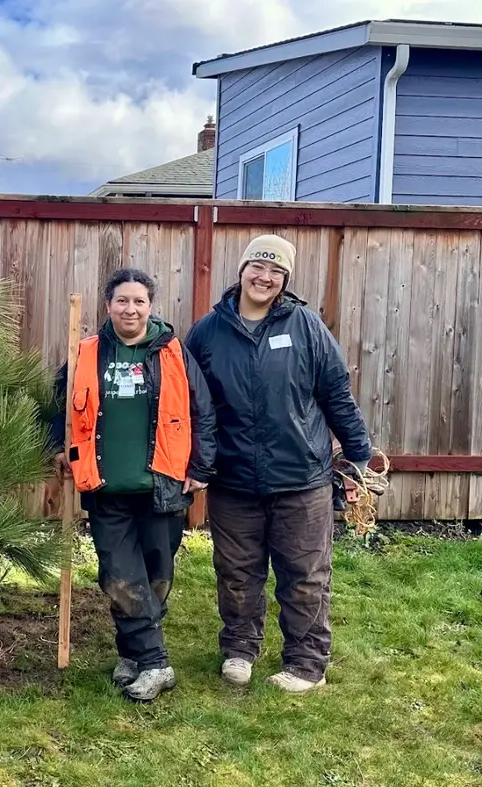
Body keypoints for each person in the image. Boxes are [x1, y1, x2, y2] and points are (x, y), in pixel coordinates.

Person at [185, 234, 372, 694]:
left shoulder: (306, 326)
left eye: (275, 271)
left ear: (285, 280)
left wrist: (358, 452)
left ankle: (307, 662)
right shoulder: (208, 332)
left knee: (305, 575)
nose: (264, 277)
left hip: (301, 478)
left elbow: (335, 393)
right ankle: (239, 649)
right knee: (236, 572)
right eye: (257, 267)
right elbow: (187, 403)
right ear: (242, 269)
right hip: (233, 479)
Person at [50, 268, 217, 702]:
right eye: (122, 300)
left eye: (139, 301)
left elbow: (204, 411)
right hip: (105, 487)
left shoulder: (172, 353)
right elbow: (56, 404)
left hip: (163, 484)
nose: (131, 308)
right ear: (108, 306)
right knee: (119, 576)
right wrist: (55, 446)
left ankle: (134, 652)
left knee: (157, 575)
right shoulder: (86, 352)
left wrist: (201, 466)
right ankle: (156, 663)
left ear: (150, 306)